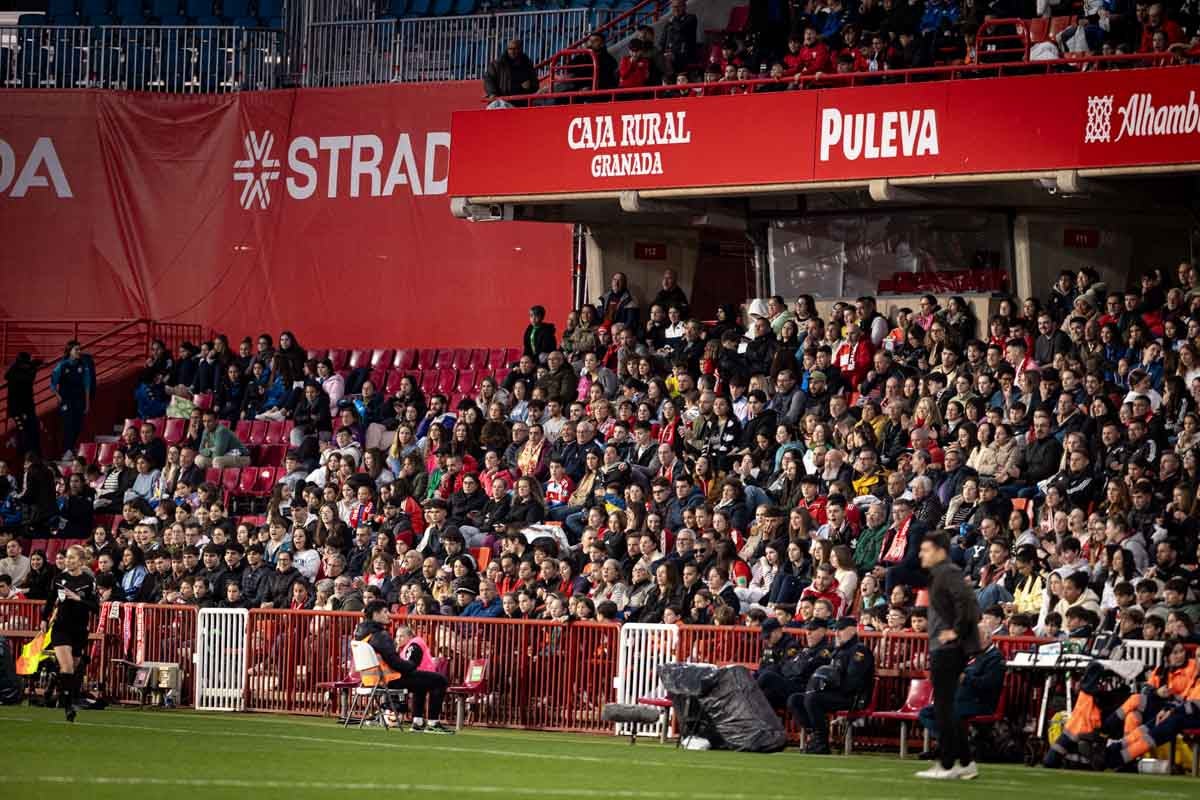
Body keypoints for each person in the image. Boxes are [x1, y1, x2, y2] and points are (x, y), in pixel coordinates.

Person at [916, 532, 981, 780]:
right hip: (943, 647)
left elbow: (968, 603)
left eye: (926, 549)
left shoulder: (948, 572)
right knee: (945, 706)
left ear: (941, 551)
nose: (922, 554)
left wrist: (957, 631)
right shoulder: (940, 575)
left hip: (949, 648)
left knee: (943, 706)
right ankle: (964, 761)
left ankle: (947, 764)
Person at [353, 602, 454, 734]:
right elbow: (394, 662)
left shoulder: (361, 634)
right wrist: (411, 666)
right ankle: (433, 723)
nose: (388, 614)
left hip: (370, 680)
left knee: (421, 681)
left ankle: (417, 722)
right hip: (390, 679)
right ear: (376, 614)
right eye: (385, 612)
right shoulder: (380, 635)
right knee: (440, 680)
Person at [787, 617, 874, 754]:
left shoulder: (859, 651)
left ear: (852, 630)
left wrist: (830, 684)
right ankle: (816, 734)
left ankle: (822, 743)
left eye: (841, 630)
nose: (837, 634)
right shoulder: (838, 650)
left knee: (812, 699)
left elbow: (853, 682)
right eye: (835, 630)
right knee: (795, 699)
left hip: (852, 697)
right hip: (836, 694)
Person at [40, 544, 99, 721]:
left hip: (79, 629)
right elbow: (50, 600)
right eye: (67, 557)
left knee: (73, 668)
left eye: (73, 558)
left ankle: (53, 679)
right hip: (61, 627)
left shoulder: (88, 581)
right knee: (67, 667)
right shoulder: (59, 578)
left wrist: (79, 599)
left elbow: (95, 607)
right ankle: (68, 706)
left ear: (81, 561)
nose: (69, 561)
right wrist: (44, 619)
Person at [50, 340, 92, 460]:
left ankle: (71, 448)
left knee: (78, 425)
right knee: (68, 425)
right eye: (76, 349)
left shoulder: (83, 365)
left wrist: (87, 403)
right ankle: (66, 451)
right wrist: (58, 397)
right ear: (70, 351)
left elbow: (87, 384)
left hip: (79, 400)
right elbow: (53, 384)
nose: (79, 351)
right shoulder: (62, 365)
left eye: (80, 349)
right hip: (66, 401)